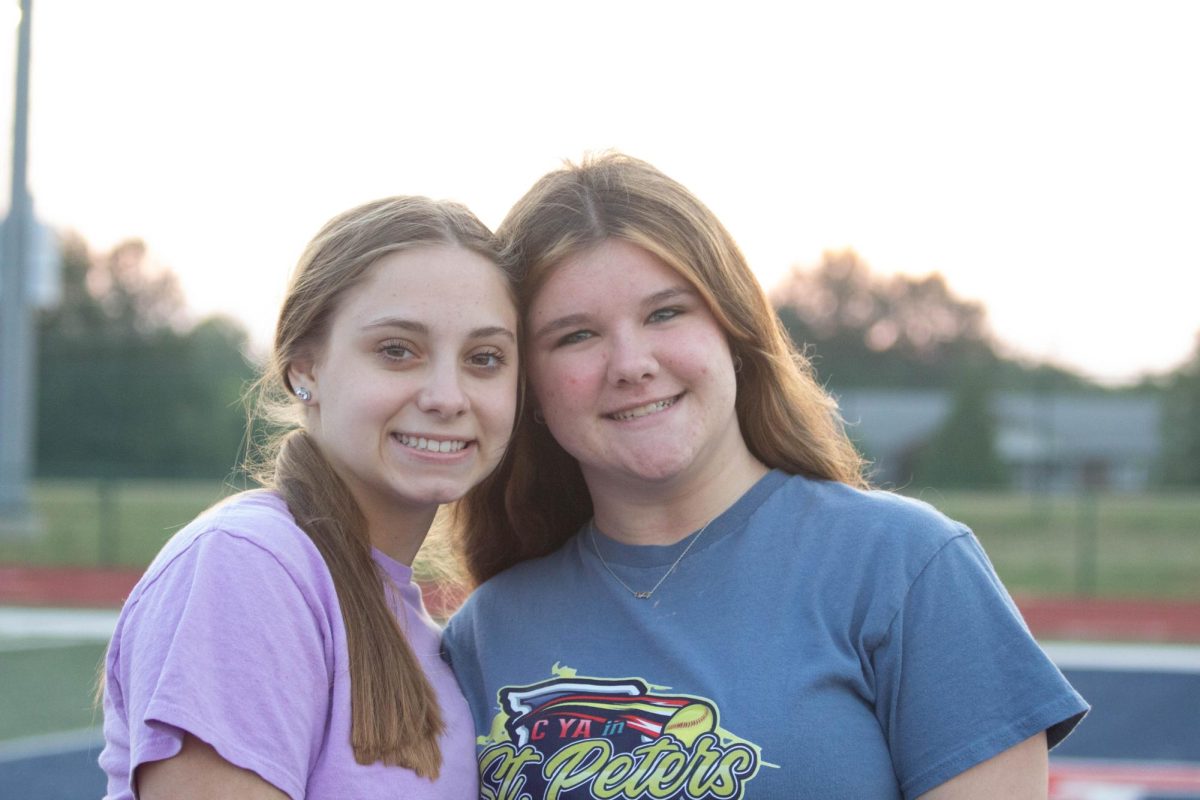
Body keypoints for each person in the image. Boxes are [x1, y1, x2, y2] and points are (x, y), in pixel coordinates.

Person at [443, 154, 1088, 799]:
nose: (631, 364)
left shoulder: (906, 568)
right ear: (526, 384)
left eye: (666, 313)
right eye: (575, 335)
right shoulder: (488, 630)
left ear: (734, 329)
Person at [99, 196, 520, 799]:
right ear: (305, 368)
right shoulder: (248, 565)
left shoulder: (421, 631)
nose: (447, 396)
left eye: (485, 358)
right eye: (398, 349)